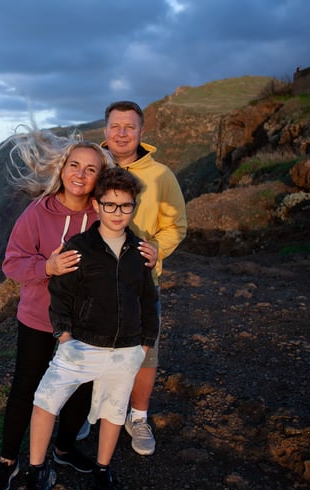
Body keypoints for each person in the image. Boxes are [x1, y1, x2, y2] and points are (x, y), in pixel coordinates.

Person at [0, 131, 122, 490]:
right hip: (39, 318)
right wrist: (47, 266)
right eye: (74, 165)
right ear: (62, 169)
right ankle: (7, 461)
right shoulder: (38, 212)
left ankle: (63, 448)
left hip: (85, 324)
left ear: (100, 177)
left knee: (81, 388)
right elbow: (13, 262)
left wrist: (149, 254)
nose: (80, 174)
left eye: (90, 169)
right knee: (25, 388)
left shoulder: (103, 214)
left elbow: (126, 251)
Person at [26, 166, 160, 490]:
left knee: (114, 412)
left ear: (134, 206)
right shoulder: (80, 247)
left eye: (125, 206)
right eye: (110, 205)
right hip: (80, 345)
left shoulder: (140, 250)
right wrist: (65, 335)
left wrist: (145, 341)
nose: (118, 213)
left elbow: (148, 298)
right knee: (45, 403)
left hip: (126, 349)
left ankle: (103, 470)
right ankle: (37, 471)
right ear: (97, 205)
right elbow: (61, 294)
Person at [101, 100, 187, 456]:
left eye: (130, 127)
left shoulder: (161, 175)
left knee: (143, 353)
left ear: (141, 132)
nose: (122, 133)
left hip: (140, 283)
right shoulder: (93, 167)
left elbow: (176, 225)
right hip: (93, 280)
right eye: (116, 126)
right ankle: (91, 414)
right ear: (104, 131)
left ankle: (137, 418)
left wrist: (157, 247)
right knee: (90, 348)